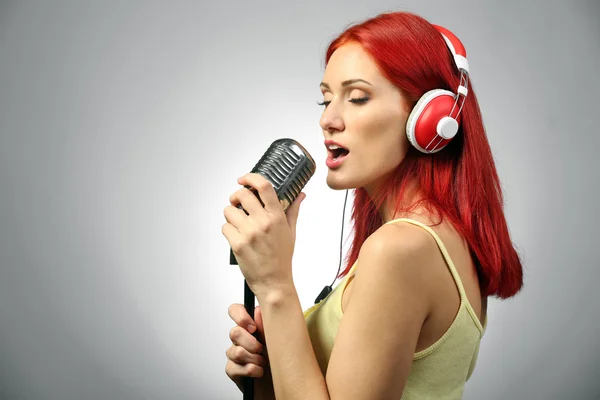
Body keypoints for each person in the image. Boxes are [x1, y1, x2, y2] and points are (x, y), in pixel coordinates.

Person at [222, 10, 523, 400]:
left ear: (429, 120)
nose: (328, 120)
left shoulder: (400, 250)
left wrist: (276, 288)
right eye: (326, 99)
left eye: (357, 97)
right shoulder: (440, 241)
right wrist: (267, 377)